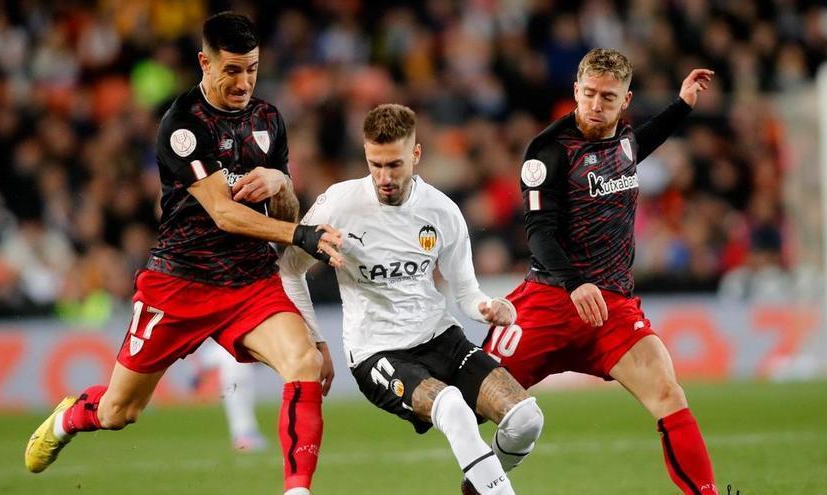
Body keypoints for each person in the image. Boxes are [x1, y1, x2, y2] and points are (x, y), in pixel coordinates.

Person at [24, 13, 342, 495]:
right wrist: (301, 233)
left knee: (305, 366)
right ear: (204, 62)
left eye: (252, 69)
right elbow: (224, 214)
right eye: (232, 70)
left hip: (249, 282)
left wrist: (281, 182)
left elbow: (283, 208)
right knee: (119, 411)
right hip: (180, 282)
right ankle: (69, 419)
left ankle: (297, 491)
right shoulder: (183, 125)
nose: (244, 81)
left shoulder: (269, 120)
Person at [482, 48, 717, 495]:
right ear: (575, 90)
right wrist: (575, 282)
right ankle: (482, 479)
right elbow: (538, 230)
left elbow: (641, 144)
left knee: (668, 394)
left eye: (608, 98)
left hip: (612, 309)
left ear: (625, 100)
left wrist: (683, 104)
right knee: (469, 396)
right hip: (550, 300)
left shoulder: (624, 140)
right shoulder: (549, 150)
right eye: (588, 94)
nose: (595, 104)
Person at [279, 104, 544, 495]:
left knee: (526, 420)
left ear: (416, 155)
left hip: (441, 338)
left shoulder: (441, 211)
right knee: (451, 405)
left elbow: (466, 292)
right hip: (377, 352)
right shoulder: (339, 204)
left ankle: (479, 486)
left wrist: (489, 307)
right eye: (376, 164)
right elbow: (289, 269)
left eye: (395, 165)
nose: (384, 177)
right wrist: (316, 340)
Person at [194, 341, 267, 452]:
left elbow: (207, 361)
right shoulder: (230, 344)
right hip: (235, 381)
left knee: (242, 407)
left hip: (238, 380)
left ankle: (249, 435)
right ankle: (243, 438)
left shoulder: (221, 346)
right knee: (239, 408)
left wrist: (197, 377)